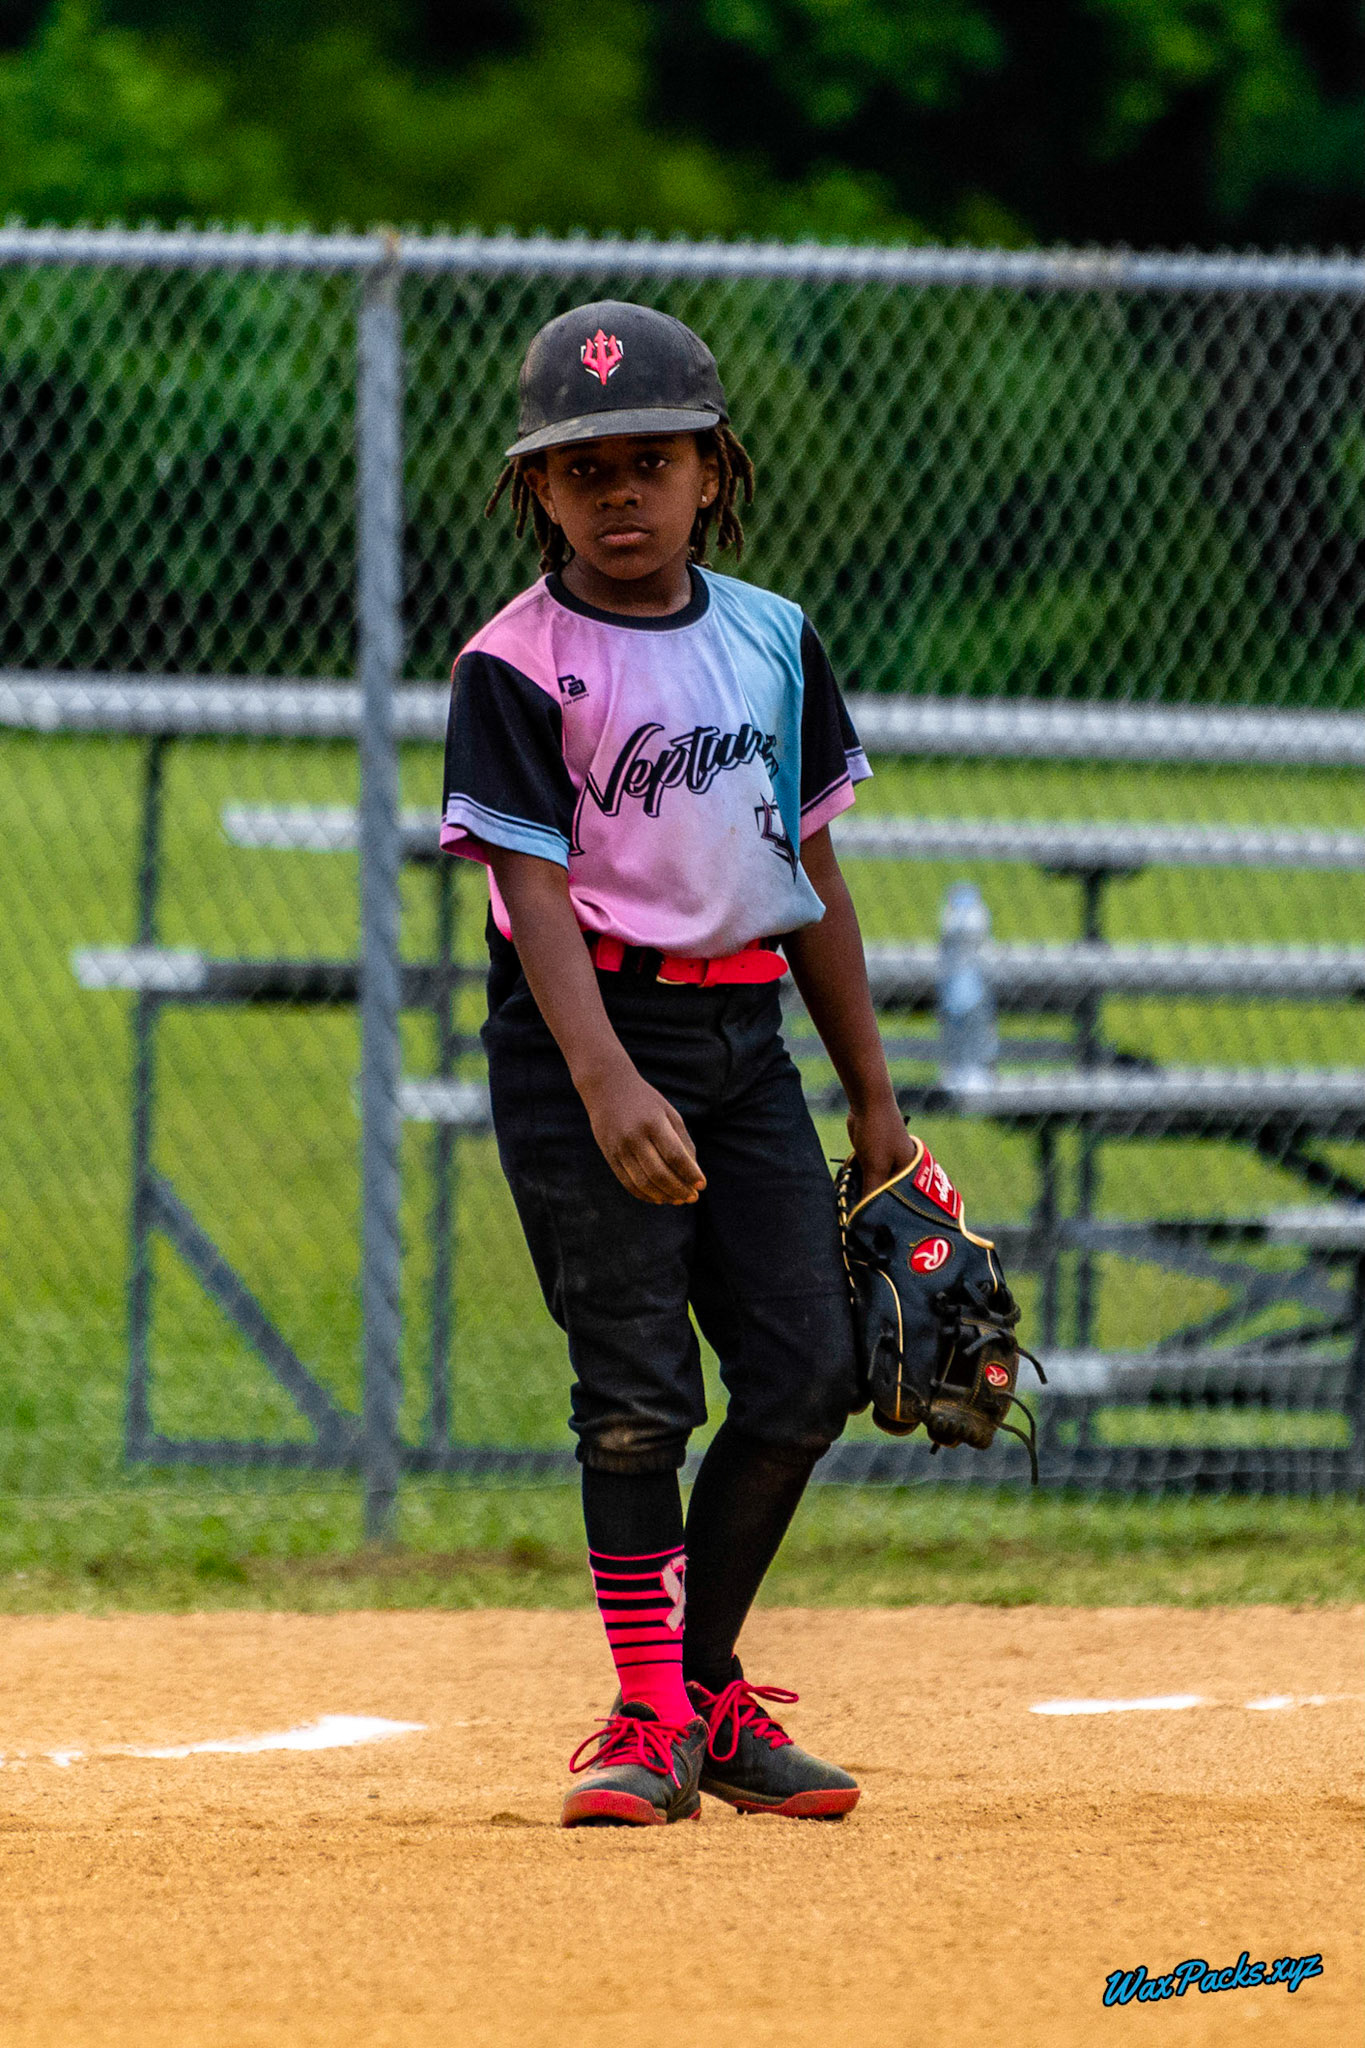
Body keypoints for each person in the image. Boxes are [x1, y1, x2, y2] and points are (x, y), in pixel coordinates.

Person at [440, 299, 914, 1827]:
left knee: (805, 1370)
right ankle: (649, 1712)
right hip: (590, 1040)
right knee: (636, 1392)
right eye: (583, 473)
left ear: (713, 468)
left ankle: (698, 1687)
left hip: (743, 1035)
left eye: (651, 460)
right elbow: (525, 893)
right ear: (538, 494)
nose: (620, 494)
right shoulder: (514, 665)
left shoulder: (772, 640)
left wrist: (874, 1099)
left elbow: (814, 875)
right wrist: (600, 1083)